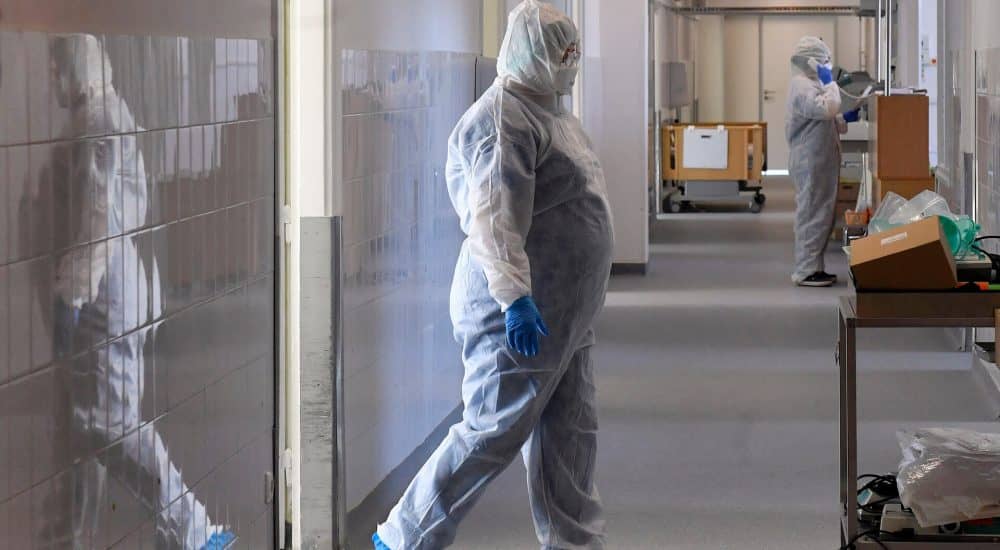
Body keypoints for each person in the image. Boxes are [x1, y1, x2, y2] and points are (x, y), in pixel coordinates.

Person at [373, 1, 613, 549]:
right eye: (562, 53)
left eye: (573, 52)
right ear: (531, 53)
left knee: (569, 434)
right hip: (520, 310)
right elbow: (493, 223)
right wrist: (514, 299)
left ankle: (575, 541)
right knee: (490, 430)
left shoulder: (552, 113)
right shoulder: (502, 120)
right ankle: (403, 536)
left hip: (565, 314)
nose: (571, 62)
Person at [786, 36, 861, 287]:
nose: (828, 65)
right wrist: (830, 83)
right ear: (813, 61)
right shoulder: (802, 85)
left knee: (820, 214)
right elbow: (826, 108)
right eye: (825, 61)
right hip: (810, 160)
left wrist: (843, 119)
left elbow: (821, 118)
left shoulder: (809, 84)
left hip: (817, 158)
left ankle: (813, 267)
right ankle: (805, 270)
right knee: (812, 214)